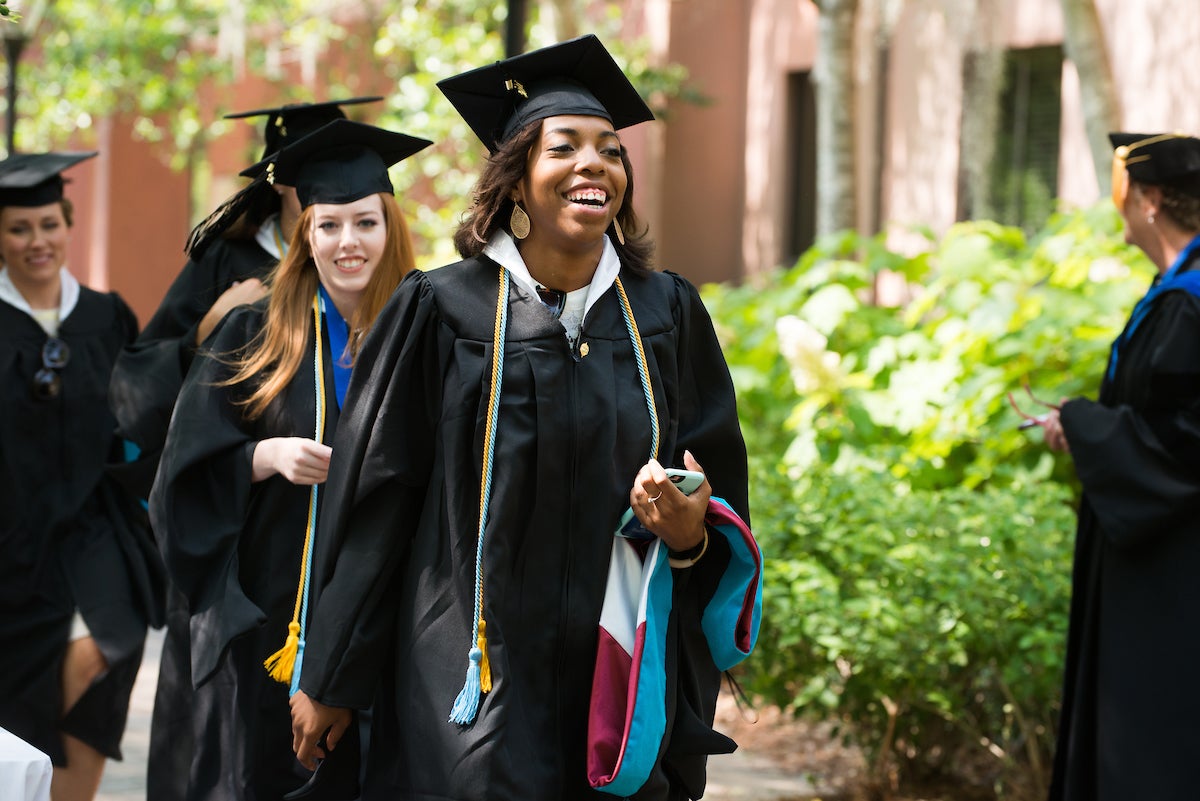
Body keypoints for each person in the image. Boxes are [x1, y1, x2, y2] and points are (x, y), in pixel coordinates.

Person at [290, 35, 763, 801]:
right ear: (516, 185)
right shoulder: (441, 310)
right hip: (473, 671)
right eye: (565, 147)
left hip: (616, 668)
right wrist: (333, 671)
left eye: (611, 151)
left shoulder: (664, 313)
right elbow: (380, 496)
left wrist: (689, 533)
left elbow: (720, 490)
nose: (595, 164)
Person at [105, 96, 382, 801]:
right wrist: (210, 327)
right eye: (324, 209)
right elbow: (159, 413)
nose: (345, 231)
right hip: (253, 584)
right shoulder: (232, 277)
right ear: (282, 184)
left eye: (363, 215)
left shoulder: (401, 310)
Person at [148, 119, 431, 801]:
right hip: (264, 620)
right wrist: (261, 454)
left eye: (364, 222)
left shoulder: (427, 334)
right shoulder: (259, 332)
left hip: (378, 624)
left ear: (389, 227)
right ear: (306, 235)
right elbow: (180, 473)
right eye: (328, 224)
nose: (347, 242)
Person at [1034, 132, 1200, 801]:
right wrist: (1089, 428)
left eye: (1127, 195)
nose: (1121, 210)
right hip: (1155, 555)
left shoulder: (1189, 303)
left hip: (1175, 571)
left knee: (1159, 733)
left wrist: (1085, 425)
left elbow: (1185, 438)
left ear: (1152, 200)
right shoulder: (1174, 291)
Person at [0, 152, 162, 801]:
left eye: (48, 223)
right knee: (25, 701)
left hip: (97, 533)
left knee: (104, 650)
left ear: (68, 224)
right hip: (12, 548)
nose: (37, 240)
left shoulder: (105, 315)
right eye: (18, 228)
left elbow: (143, 413)